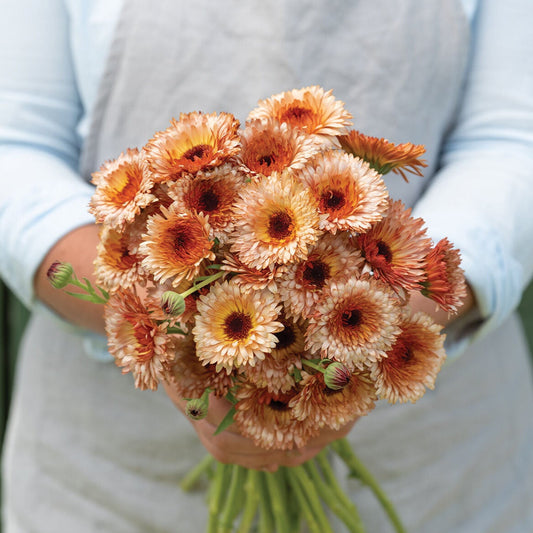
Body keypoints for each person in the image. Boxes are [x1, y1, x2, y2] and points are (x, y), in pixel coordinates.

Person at [0, 0, 532, 531]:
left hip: (434, 453)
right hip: (107, 473)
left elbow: (514, 139)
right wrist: (154, 320)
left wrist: (393, 321)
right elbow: (14, 144)